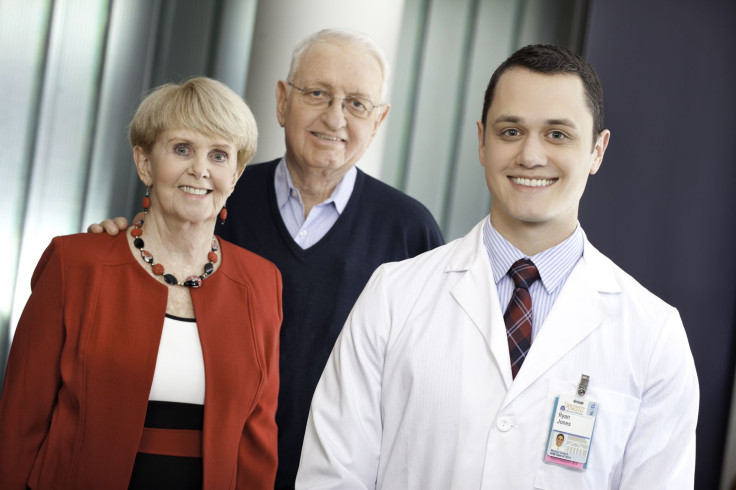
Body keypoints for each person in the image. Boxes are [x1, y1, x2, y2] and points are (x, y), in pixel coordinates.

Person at [296, 44, 699, 489]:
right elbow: (331, 477)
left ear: (597, 150)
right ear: (481, 141)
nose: (530, 155)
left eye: (558, 135)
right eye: (510, 131)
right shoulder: (393, 295)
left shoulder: (653, 335)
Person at [89, 29, 444, 488]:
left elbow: (427, 383)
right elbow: (136, 282)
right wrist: (117, 240)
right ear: (281, 100)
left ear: (378, 121)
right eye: (317, 93)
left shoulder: (410, 231)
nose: (334, 117)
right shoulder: (208, 197)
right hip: (206, 470)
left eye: (357, 103)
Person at [0, 77, 282, 489]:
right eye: (182, 149)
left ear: (235, 175)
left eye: (219, 155)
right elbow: (21, 422)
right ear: (145, 162)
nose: (200, 170)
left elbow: (257, 441)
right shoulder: (74, 264)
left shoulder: (261, 282)